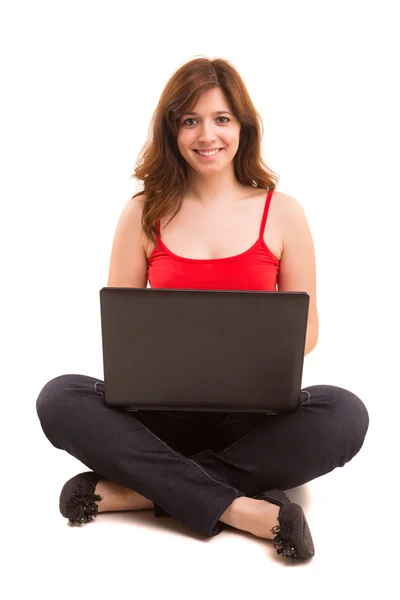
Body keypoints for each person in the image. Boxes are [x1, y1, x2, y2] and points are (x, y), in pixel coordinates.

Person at [36, 57, 369, 562]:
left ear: (243, 128)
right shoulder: (142, 212)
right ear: (172, 131)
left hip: (251, 416)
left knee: (345, 413)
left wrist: (252, 356)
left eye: (221, 119)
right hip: (159, 416)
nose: (206, 134)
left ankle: (141, 490)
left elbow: (309, 329)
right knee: (59, 397)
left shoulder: (283, 212)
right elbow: (122, 328)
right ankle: (241, 508)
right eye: (189, 120)